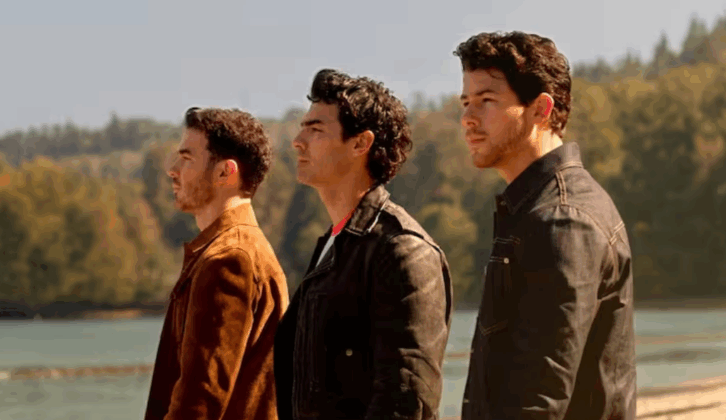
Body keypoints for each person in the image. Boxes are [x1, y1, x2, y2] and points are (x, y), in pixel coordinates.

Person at [454, 31, 636, 419]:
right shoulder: (536, 209)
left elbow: (539, 399)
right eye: (466, 102)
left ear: (540, 110)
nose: (468, 118)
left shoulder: (562, 220)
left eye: (487, 101)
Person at [273, 69, 453, 420]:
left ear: (360, 144)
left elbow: (405, 401)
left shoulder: (402, 249)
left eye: (316, 130)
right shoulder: (335, 243)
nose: (298, 141)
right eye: (302, 127)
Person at [145, 107, 289, 420]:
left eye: (186, 158)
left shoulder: (229, 259)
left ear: (225, 173)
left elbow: (200, 402)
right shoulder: (233, 250)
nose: (172, 170)